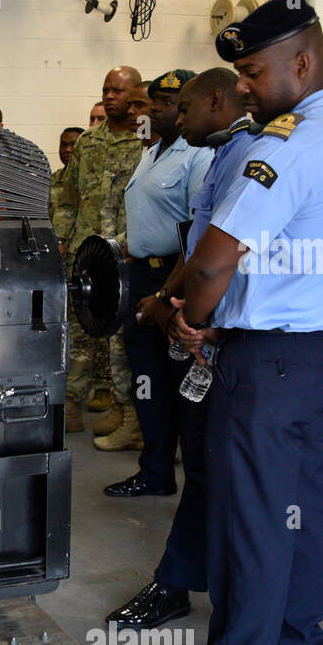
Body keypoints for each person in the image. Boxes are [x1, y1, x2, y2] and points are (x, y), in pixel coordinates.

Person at [145, 0, 323, 645]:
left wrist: (187, 319)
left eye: (252, 72)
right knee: (308, 513)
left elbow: (215, 258)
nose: (242, 86)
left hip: (270, 365)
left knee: (250, 523)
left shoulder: (287, 145)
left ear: (302, 63)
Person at [104, 68, 257, 631]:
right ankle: (199, 586)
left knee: (221, 468)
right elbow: (203, 243)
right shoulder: (221, 150)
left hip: (235, 334)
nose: (173, 115)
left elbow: (216, 254)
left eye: (182, 106)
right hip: (209, 319)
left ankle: (244, 610)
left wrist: (185, 315)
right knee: (207, 464)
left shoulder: (254, 153)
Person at [104, 70, 211, 480]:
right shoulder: (150, 152)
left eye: (151, 106)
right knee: (146, 378)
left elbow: (198, 233)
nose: (140, 113)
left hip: (176, 279)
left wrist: (169, 294)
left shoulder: (197, 156)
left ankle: (194, 485)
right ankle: (155, 470)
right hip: (142, 278)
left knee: (179, 380)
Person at [52, 67, 144, 437]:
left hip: (122, 256)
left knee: (120, 335)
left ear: (134, 95)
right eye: (106, 89)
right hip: (84, 255)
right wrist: (61, 237)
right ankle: (71, 402)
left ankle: (125, 409)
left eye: (118, 91)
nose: (109, 96)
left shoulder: (145, 143)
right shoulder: (88, 142)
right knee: (78, 331)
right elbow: (68, 196)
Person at [49, 127, 84, 221]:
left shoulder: (93, 179)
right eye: (64, 145)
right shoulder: (51, 180)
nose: (67, 149)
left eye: (73, 145)